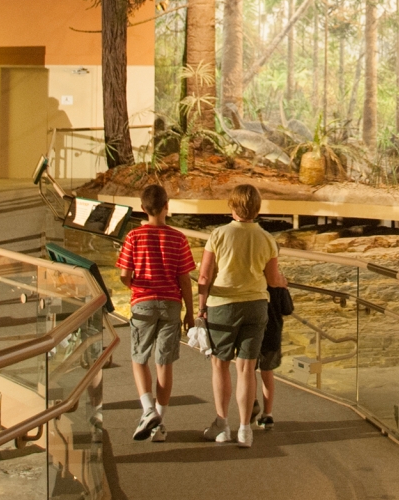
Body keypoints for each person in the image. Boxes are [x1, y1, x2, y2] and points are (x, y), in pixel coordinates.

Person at [196, 184, 280, 448]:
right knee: (247, 369)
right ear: (257, 208)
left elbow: (205, 276)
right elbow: (273, 279)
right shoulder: (267, 239)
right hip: (256, 306)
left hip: (223, 305)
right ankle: (245, 430)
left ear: (232, 206)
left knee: (220, 364)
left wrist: (200, 306)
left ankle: (222, 424)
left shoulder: (218, 235)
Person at [117, 184, 194, 443]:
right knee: (164, 362)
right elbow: (185, 279)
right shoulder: (179, 238)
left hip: (143, 303)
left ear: (142, 208)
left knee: (139, 358)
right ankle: (159, 422)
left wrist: (135, 286)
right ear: (166, 206)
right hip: (171, 304)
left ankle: (148, 410)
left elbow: (124, 275)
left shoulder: (133, 237)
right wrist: (191, 313)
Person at [252, 260, 291, 430]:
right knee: (267, 372)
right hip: (272, 333)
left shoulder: (252, 281)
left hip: (252, 331)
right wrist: (285, 288)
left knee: (248, 369)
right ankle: (268, 414)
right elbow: (288, 309)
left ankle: (252, 401)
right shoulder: (277, 284)